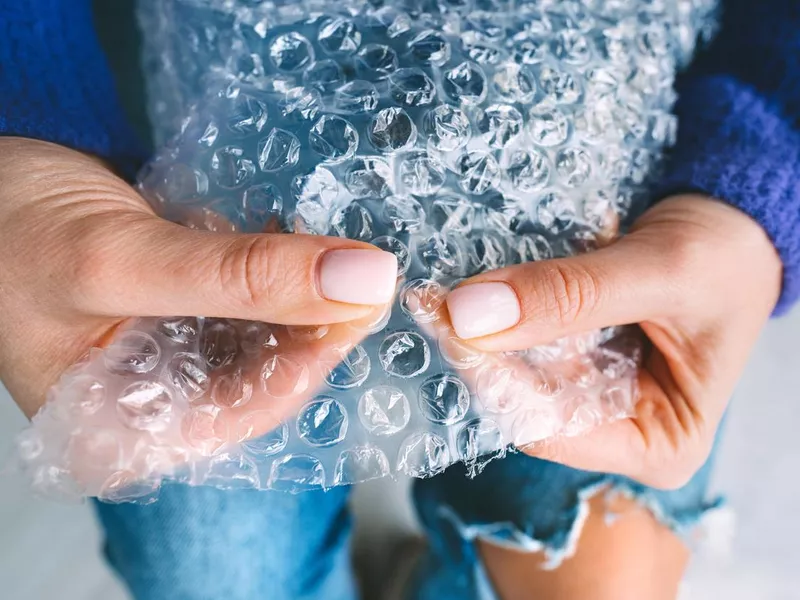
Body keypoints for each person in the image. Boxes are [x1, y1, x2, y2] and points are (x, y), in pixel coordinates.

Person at [0, 1, 798, 598]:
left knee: (593, 570)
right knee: (212, 574)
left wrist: (756, 174)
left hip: (595, 189)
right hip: (207, 160)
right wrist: (25, 126)